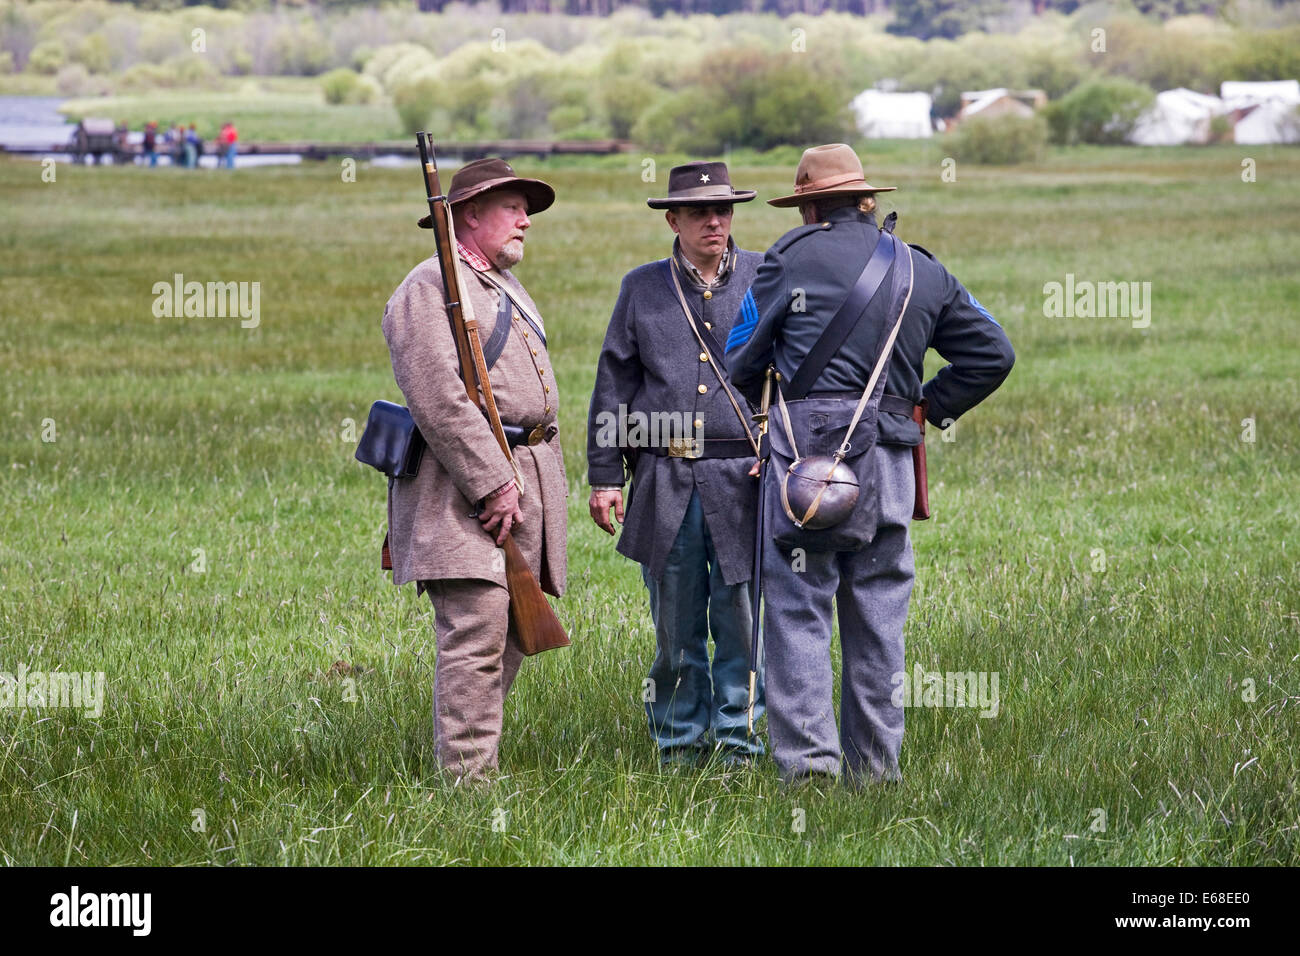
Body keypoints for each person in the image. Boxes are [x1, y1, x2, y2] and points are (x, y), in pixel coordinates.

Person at [725, 143, 1015, 786]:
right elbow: (993, 354)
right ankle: (876, 774)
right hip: (889, 463)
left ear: (807, 206)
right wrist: (925, 408)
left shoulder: (788, 259)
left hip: (804, 466)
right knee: (879, 620)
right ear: (866, 199)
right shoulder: (921, 270)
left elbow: (739, 355)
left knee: (798, 612)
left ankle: (809, 776)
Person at [381, 158, 567, 784]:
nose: (525, 221)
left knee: (508, 636)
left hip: (523, 481)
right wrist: (492, 480)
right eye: (512, 208)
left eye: (525, 210)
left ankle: (472, 766)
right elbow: (437, 395)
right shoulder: (428, 286)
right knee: (477, 632)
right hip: (459, 489)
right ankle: (466, 788)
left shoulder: (504, 289)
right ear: (467, 216)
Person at [587, 161, 766, 767]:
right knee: (675, 628)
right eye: (698, 212)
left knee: (742, 624)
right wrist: (607, 476)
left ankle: (740, 747)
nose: (714, 220)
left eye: (723, 210)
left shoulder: (770, 278)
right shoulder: (642, 287)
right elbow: (613, 383)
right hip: (664, 481)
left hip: (745, 479)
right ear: (674, 219)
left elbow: (792, 376)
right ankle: (679, 748)